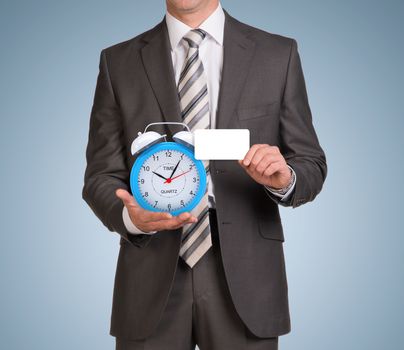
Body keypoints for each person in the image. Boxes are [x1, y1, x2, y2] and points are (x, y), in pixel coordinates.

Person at [82, 1, 327, 349]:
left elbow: (310, 163)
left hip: (247, 278)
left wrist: (285, 178)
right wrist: (130, 217)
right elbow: (100, 176)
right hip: (149, 277)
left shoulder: (277, 54)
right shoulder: (118, 62)